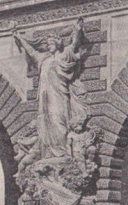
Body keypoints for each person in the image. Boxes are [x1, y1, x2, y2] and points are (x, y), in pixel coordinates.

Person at [14, 18, 89, 157]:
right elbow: (31, 51)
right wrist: (19, 37)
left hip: (59, 95)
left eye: (51, 44)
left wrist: (78, 30)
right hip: (44, 97)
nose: (49, 47)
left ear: (58, 44)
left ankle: (63, 153)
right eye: (48, 45)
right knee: (44, 122)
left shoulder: (64, 55)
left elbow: (74, 44)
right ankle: (47, 154)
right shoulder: (44, 60)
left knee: (58, 121)